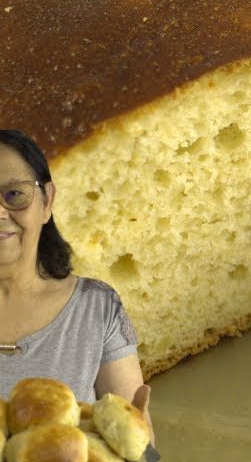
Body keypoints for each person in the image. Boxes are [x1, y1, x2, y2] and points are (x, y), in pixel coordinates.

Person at [0, 129, 152, 439]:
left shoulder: (96, 307)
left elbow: (137, 446)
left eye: (14, 194)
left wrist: (138, 439)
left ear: (47, 201)